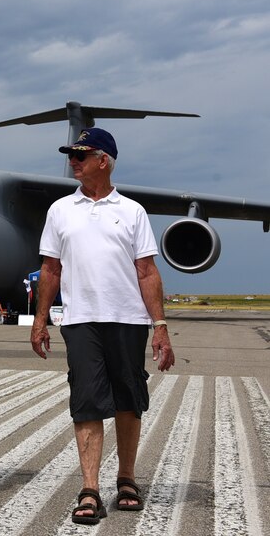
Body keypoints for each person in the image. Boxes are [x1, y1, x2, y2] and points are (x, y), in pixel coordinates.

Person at [29, 128, 175, 525]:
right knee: (87, 401)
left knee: (129, 399)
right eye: (71, 155)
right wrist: (41, 320)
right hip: (80, 321)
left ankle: (126, 478)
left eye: (81, 154)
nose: (73, 161)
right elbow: (49, 269)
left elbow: (147, 271)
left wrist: (159, 325)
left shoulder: (132, 211)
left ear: (103, 160)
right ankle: (90, 488)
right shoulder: (60, 210)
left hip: (128, 319)